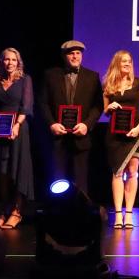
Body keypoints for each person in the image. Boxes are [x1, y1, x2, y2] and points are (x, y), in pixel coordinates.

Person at [39, 40, 103, 195]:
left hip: (80, 136)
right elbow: (43, 103)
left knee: (80, 180)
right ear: (64, 56)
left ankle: (82, 215)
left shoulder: (92, 77)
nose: (75, 56)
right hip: (58, 136)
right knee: (57, 179)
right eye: (71, 53)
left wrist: (86, 125)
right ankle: (57, 213)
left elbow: (98, 106)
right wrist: (52, 124)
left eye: (78, 53)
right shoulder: (51, 75)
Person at [0, 47, 34, 229]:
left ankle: (17, 212)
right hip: (0, 129)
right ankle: (3, 211)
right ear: (1, 62)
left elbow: (26, 106)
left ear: (18, 62)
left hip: (17, 130)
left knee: (17, 169)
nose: (10, 63)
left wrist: (17, 124)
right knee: (2, 172)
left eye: (13, 60)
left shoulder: (25, 80)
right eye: (6, 60)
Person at [102, 50, 139, 229]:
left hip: (135, 133)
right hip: (115, 135)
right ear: (117, 63)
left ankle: (128, 213)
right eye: (123, 61)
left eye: (129, 61)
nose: (127, 64)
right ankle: (117, 215)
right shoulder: (108, 84)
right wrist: (110, 108)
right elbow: (105, 111)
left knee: (133, 171)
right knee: (117, 172)